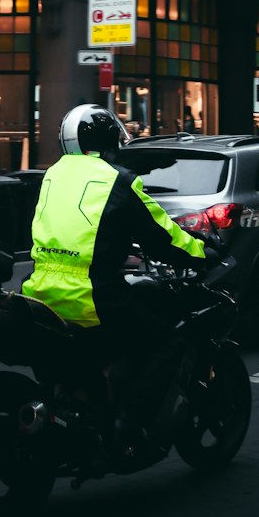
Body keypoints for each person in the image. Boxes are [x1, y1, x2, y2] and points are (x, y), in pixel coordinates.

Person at [23, 105, 207, 460]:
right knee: (168, 341)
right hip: (91, 297)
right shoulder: (118, 181)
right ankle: (127, 426)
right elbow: (162, 236)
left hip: (39, 295)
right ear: (110, 143)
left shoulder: (51, 176)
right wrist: (200, 252)